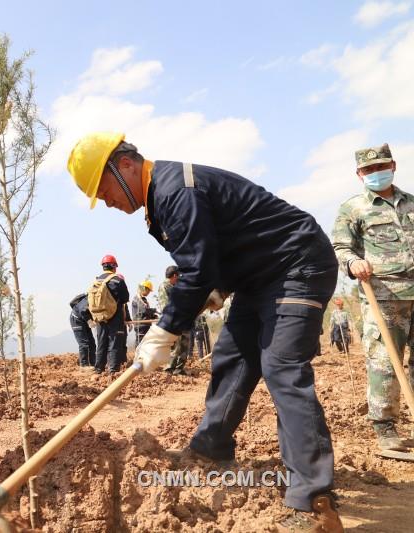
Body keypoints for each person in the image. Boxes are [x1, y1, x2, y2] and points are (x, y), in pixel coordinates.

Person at [67, 132, 342, 531]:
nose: (106, 201)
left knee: (281, 366)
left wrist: (165, 330)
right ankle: (211, 448)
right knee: (232, 357)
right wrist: (215, 288)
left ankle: (312, 499)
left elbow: (194, 271)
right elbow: (210, 257)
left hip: (296, 264)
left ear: (124, 165)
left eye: (103, 189)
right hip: (257, 278)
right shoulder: (159, 201)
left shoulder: (176, 191)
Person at [332, 143, 414, 453]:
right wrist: (353, 263)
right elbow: (341, 246)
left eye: (381, 167)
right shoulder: (353, 208)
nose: (375, 173)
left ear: (393, 166)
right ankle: (386, 427)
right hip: (383, 296)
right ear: (359, 174)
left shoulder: (412, 204)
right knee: (384, 362)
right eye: (368, 170)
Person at [91, 255, 130, 375]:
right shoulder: (118, 280)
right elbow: (125, 298)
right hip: (114, 316)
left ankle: (99, 369)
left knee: (101, 342)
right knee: (114, 342)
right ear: (114, 266)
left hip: (100, 316)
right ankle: (113, 370)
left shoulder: (96, 281)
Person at [158, 265, 191, 375]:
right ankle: (169, 369)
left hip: (183, 320)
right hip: (174, 321)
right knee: (175, 347)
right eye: (179, 276)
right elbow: (165, 306)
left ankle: (179, 369)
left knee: (184, 345)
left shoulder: (176, 287)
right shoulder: (164, 286)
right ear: (175, 275)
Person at [69, 293, 96, 367]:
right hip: (77, 320)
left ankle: (93, 364)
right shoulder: (88, 299)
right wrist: (89, 321)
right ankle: (84, 366)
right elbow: (83, 311)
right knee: (84, 344)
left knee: (92, 344)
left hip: (84, 321)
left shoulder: (98, 298)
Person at [131, 279, 157, 344]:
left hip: (146, 325)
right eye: (148, 291)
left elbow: (147, 312)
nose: (148, 293)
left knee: (146, 344)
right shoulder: (137, 299)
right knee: (140, 344)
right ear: (144, 288)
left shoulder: (144, 299)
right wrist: (155, 310)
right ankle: (138, 354)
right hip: (140, 325)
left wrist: (154, 316)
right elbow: (144, 310)